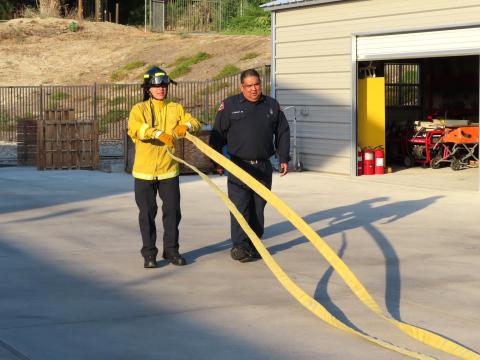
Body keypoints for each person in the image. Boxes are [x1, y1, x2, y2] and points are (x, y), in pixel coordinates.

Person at [209, 68, 290, 263]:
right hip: (239, 166)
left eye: (257, 84)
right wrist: (216, 161)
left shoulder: (271, 105)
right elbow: (217, 134)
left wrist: (284, 158)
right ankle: (239, 246)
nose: (254, 89)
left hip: (262, 167)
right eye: (249, 85)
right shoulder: (229, 105)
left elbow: (283, 132)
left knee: (258, 209)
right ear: (241, 87)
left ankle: (253, 245)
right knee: (239, 208)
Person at [128, 66, 201, 269]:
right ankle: (149, 254)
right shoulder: (139, 109)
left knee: (173, 211)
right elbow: (136, 128)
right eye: (156, 86)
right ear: (148, 88)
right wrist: (157, 134)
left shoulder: (175, 108)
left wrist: (184, 126)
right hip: (144, 172)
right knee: (147, 213)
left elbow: (194, 122)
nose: (161, 89)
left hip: (169, 170)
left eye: (164, 86)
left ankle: (171, 250)